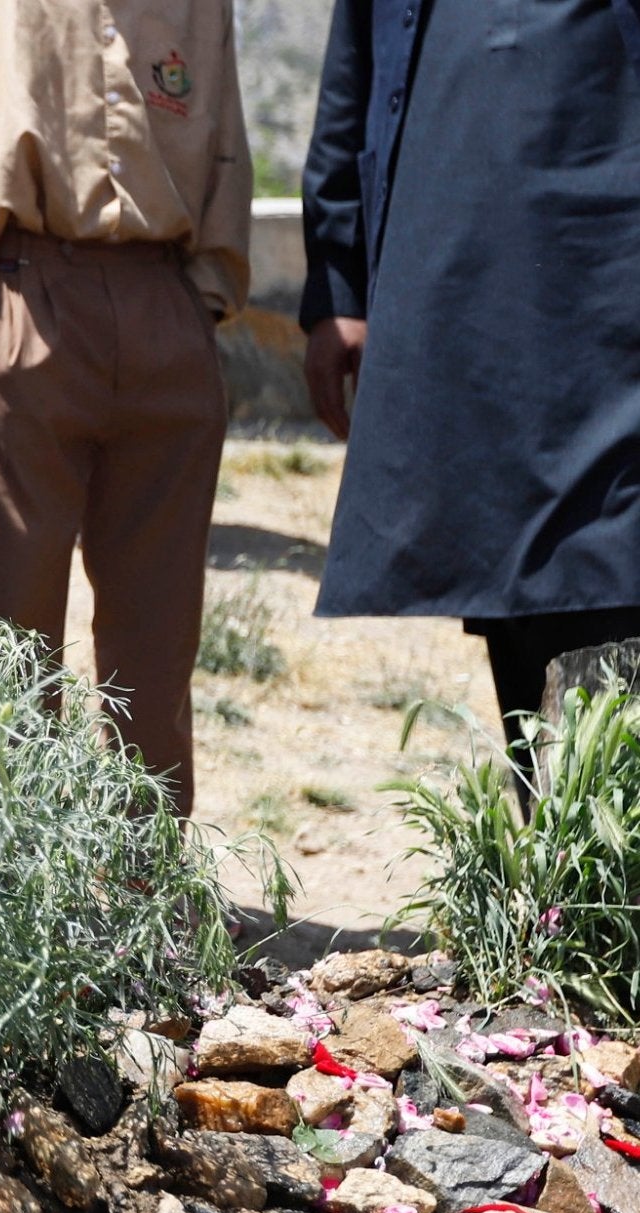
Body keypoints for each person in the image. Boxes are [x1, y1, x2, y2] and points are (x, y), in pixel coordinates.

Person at [0, 0, 251, 818]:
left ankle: (145, 870)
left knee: (158, 628)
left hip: (166, 300)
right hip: (33, 294)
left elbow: (228, 141)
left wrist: (201, 298)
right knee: (14, 619)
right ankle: (20, 874)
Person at [302, 0, 640, 784]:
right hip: (465, 272)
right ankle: (569, 879)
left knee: (612, 562)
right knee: (506, 566)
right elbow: (362, 37)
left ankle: (594, 879)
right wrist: (340, 273)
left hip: (612, 254)